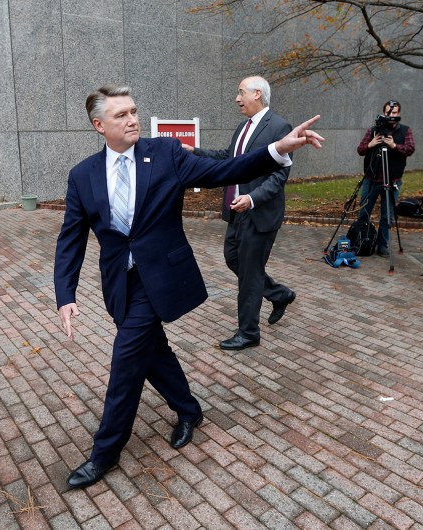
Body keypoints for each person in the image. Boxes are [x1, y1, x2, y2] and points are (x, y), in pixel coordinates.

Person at [54, 85, 324, 488]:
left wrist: (277, 150)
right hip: (119, 284)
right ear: (99, 126)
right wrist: (66, 295)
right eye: (120, 115)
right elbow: (71, 238)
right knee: (152, 352)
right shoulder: (83, 175)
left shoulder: (164, 153)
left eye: (133, 111)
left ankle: (104, 452)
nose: (131, 120)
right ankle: (188, 409)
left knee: (126, 362)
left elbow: (226, 170)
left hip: (159, 276)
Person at [183, 76, 296, 351]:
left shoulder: (280, 127)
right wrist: (194, 151)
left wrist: (252, 198)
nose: (237, 98)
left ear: (257, 94)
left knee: (250, 273)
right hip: (236, 211)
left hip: (259, 213)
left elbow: (280, 174)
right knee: (233, 259)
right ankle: (279, 294)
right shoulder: (243, 127)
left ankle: (249, 332)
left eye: (240, 92)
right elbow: (228, 157)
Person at [355, 100, 415, 256]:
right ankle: (359, 240)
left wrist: (395, 146)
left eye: (394, 113)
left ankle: (383, 245)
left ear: (399, 114)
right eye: (388, 112)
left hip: (392, 179)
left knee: (387, 215)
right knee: (364, 212)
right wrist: (371, 144)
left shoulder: (405, 131)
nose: (391, 116)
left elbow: (410, 149)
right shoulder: (374, 131)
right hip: (372, 178)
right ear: (383, 113)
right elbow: (360, 150)